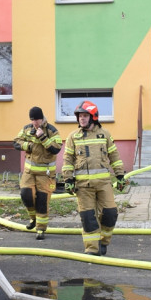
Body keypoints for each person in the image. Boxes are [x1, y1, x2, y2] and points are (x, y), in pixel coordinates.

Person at [61, 100, 126, 256]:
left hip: (104, 184)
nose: (81, 119)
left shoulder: (105, 134)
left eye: (85, 115)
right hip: (83, 186)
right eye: (79, 116)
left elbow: (114, 156)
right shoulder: (73, 137)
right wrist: (68, 180)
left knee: (110, 213)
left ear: (93, 117)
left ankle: (103, 241)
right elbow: (67, 160)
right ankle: (92, 249)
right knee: (88, 217)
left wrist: (120, 175)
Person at [13, 106, 62, 240]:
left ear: (42, 118)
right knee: (26, 194)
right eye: (33, 120)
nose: (35, 122)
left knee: (42, 201)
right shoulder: (27, 129)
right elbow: (16, 142)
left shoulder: (52, 130)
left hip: (45, 174)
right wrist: (27, 146)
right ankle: (32, 218)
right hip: (29, 172)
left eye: (37, 119)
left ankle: (40, 229)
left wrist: (43, 138)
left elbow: (56, 149)